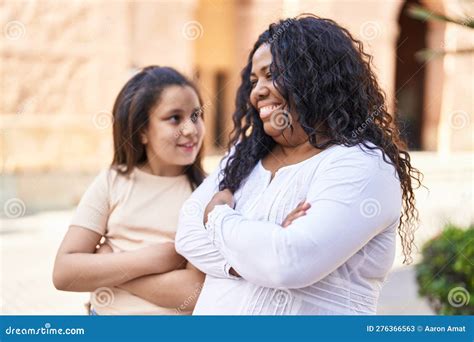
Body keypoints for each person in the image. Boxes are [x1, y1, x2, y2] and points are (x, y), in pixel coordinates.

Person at [175, 14, 422, 315]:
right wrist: (259, 249)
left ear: (317, 76)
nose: (258, 91)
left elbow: (289, 262)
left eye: (272, 74)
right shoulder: (244, 156)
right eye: (254, 81)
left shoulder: (363, 165)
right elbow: (187, 233)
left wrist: (216, 216)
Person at [53, 66, 206, 315]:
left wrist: (106, 266)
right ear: (143, 130)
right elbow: (64, 272)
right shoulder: (112, 182)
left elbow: (192, 293)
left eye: (196, 116)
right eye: (175, 118)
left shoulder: (205, 194)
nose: (190, 129)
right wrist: (154, 259)